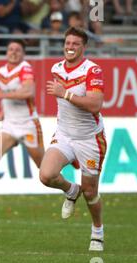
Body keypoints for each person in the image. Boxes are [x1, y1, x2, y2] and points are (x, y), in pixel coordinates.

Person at [41, 27, 107, 251]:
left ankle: (97, 230)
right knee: (46, 175)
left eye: (75, 44)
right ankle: (71, 190)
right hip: (64, 134)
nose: (69, 47)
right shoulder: (56, 68)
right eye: (67, 43)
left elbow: (95, 104)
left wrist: (66, 93)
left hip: (89, 138)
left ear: (83, 47)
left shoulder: (93, 70)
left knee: (90, 192)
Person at [0, 39, 45, 230]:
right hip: (9, 124)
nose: (13, 52)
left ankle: (70, 190)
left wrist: (4, 96)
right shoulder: (2, 71)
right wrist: (3, 110)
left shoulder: (25, 68)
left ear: (23, 53)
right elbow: (8, 95)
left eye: (17, 50)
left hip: (28, 124)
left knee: (45, 171)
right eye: (10, 49)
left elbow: (28, 92)